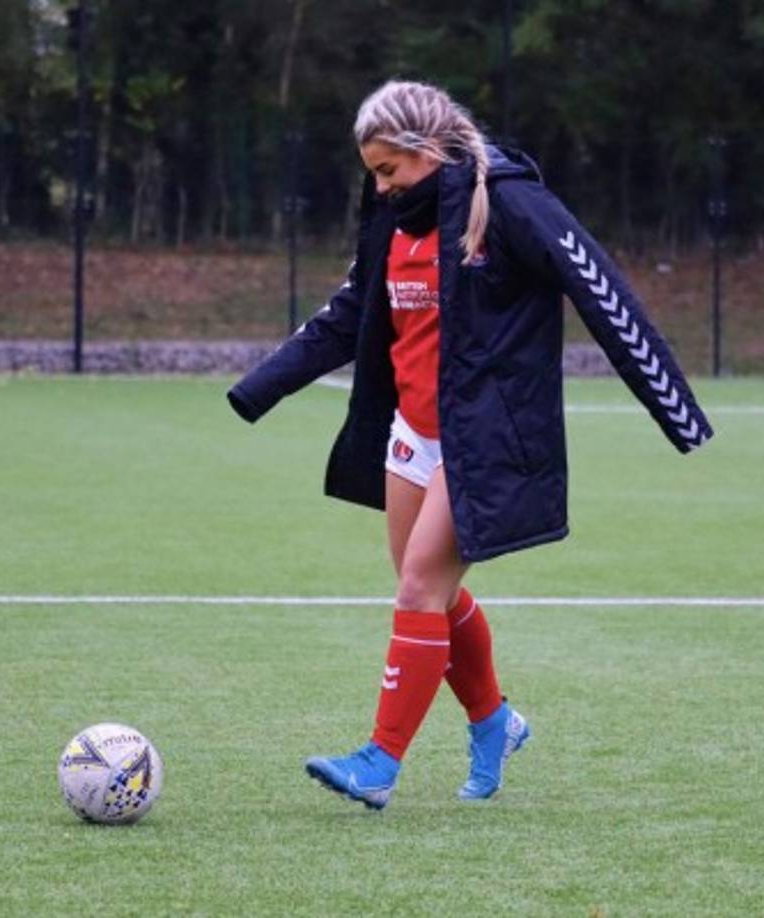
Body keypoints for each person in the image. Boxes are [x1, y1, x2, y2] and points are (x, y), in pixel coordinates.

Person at [227, 80, 714, 810]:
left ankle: (379, 762)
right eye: (374, 175)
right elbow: (348, 314)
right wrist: (258, 387)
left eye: (390, 169)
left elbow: (599, 289)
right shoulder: (390, 225)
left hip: (485, 436)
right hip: (412, 434)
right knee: (431, 592)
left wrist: (675, 410)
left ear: (429, 150)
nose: (382, 187)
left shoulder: (507, 203)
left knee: (419, 586)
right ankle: (493, 722)